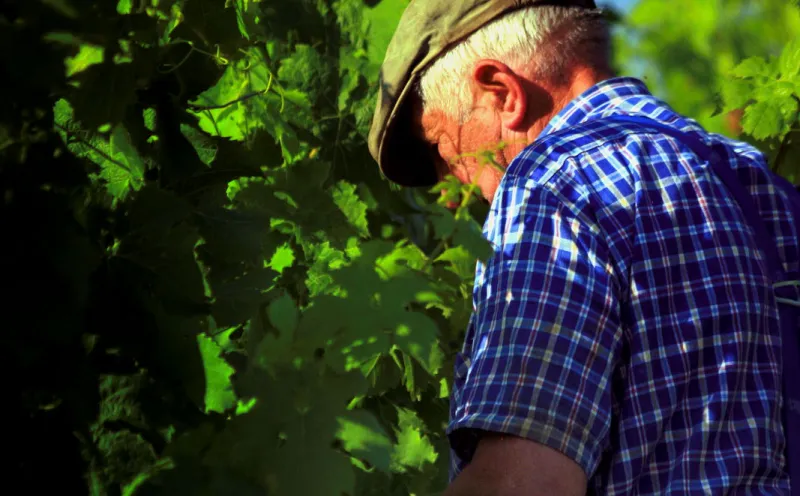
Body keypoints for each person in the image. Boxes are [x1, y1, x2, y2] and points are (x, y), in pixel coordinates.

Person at [368, 0, 800, 495]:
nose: (453, 193)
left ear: (502, 93)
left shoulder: (554, 185)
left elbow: (527, 484)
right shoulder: (761, 184)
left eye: (444, 148)